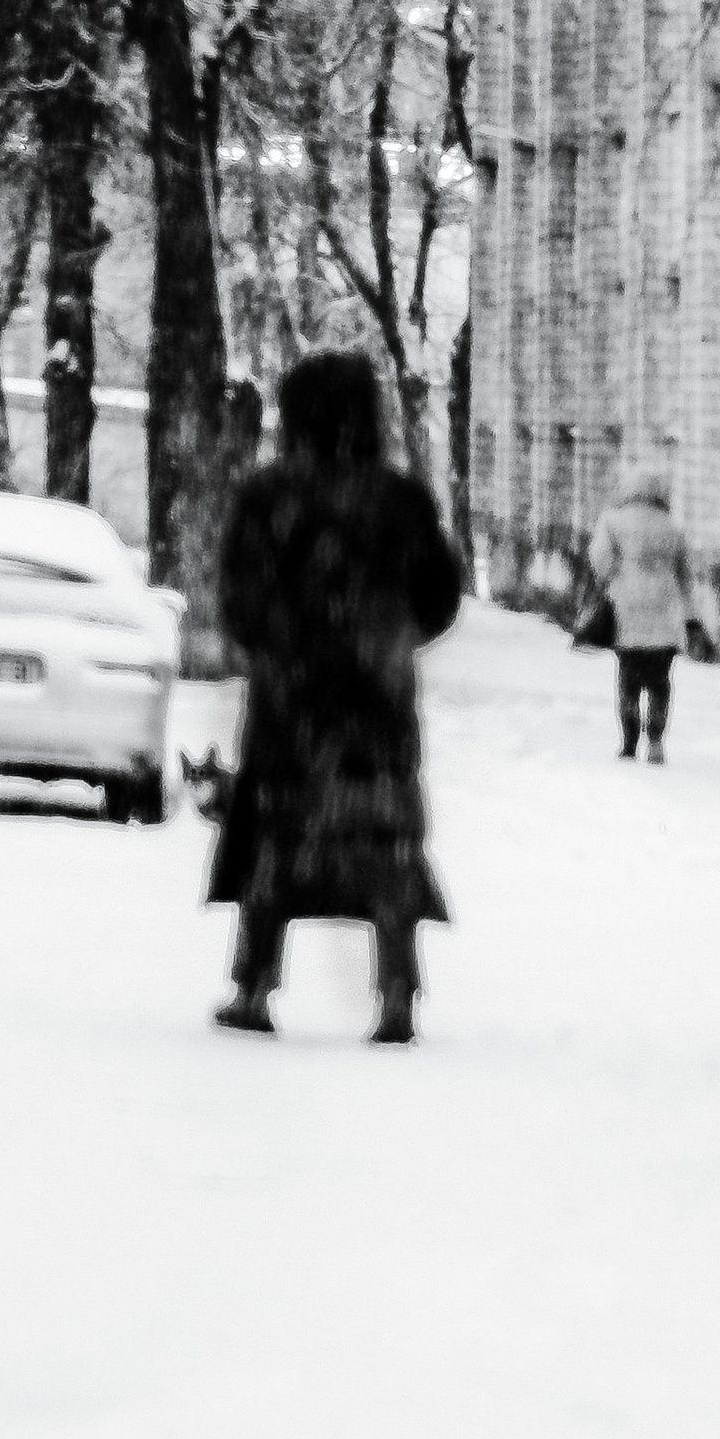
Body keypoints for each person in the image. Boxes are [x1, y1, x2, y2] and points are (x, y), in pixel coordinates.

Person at [208, 349, 462, 1046]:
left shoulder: (268, 497)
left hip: (291, 705)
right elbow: (440, 596)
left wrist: (278, 645)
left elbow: (235, 597)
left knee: (275, 839)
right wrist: (388, 639)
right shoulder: (400, 501)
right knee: (385, 845)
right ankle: (398, 991)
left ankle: (254, 986)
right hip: (376, 706)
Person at [588, 463, 690, 764]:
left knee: (628, 679)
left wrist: (614, 576)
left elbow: (600, 561)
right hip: (665, 612)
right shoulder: (672, 525)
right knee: (660, 681)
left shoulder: (613, 521)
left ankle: (629, 742)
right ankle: (656, 740)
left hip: (626, 610)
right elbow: (685, 571)